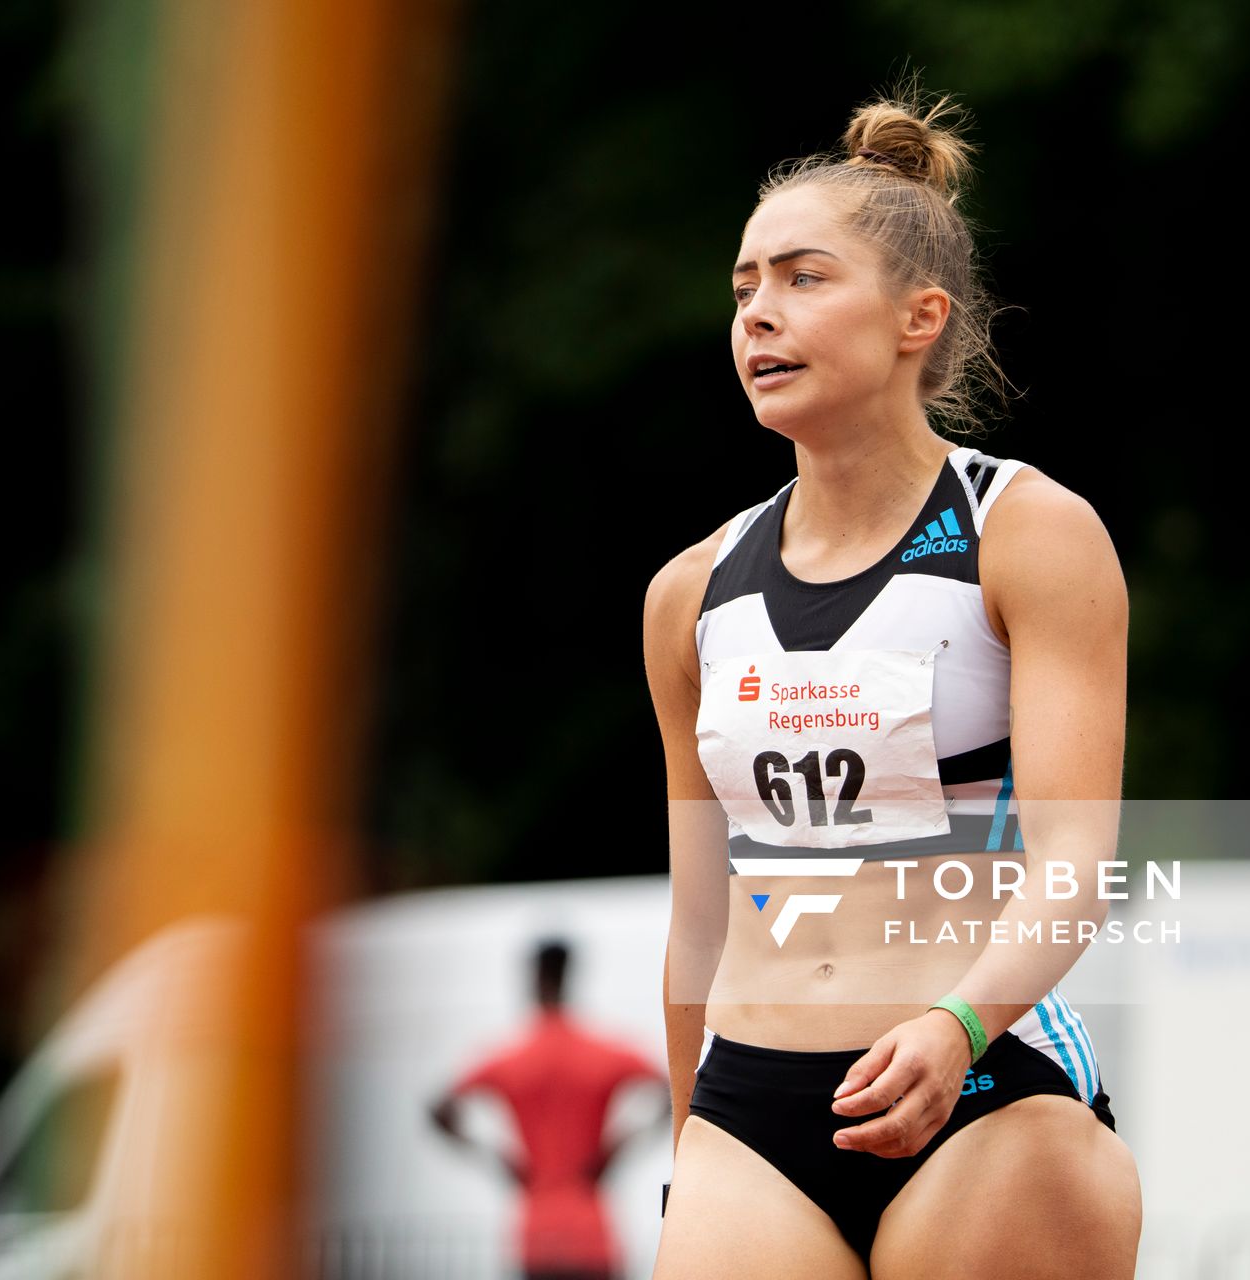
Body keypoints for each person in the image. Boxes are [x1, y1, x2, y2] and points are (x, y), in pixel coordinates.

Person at [642, 80, 1142, 1279]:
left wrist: (960, 1021)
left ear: (920, 317)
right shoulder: (691, 590)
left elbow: (1076, 866)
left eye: (803, 278)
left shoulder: (1025, 530)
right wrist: (685, 1147)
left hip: (980, 1075)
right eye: (744, 286)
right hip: (749, 1114)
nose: (759, 312)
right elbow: (697, 919)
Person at [429, 938, 670, 1280]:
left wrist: (497, 1157)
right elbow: (667, 1090)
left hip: (537, 1231)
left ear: (534, 978)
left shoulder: (511, 1056)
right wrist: (618, 1148)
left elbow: (438, 1109)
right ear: (568, 977)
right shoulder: (601, 1050)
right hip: (591, 1230)